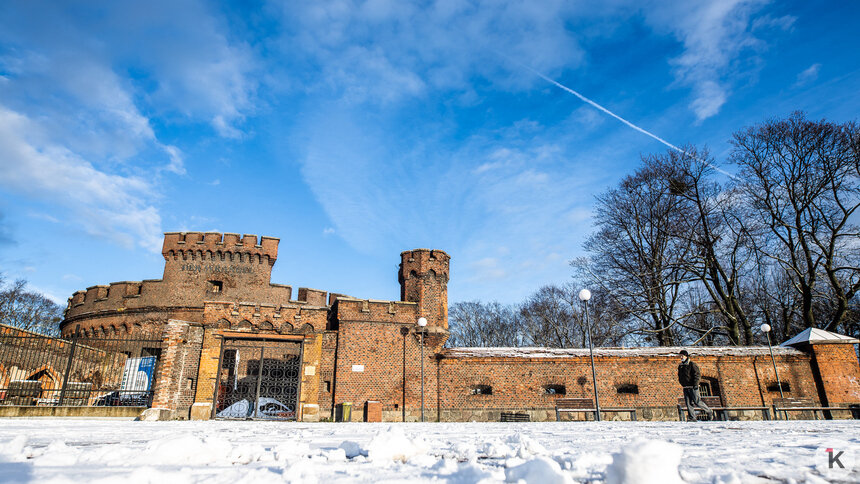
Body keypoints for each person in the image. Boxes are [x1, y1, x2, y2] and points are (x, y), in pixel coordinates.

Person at [678, 350, 714, 421]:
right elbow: (680, 376)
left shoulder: (692, 364)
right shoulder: (681, 366)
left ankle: (709, 411)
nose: (681, 357)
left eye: (682, 356)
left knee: (697, 401)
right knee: (688, 403)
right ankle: (692, 417)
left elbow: (697, 375)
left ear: (686, 356)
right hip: (685, 387)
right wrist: (682, 383)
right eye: (680, 356)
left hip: (693, 387)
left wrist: (695, 384)